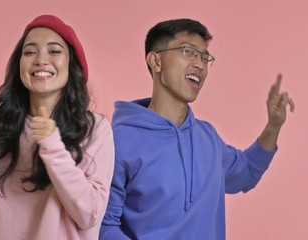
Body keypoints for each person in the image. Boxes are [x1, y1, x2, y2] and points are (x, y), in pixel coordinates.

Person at [100, 18, 295, 240]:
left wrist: (273, 125)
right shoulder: (118, 140)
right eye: (188, 51)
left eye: (205, 57)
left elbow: (246, 173)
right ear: (156, 61)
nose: (200, 64)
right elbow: (104, 227)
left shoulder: (208, 138)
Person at [0, 15, 114, 240]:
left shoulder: (95, 129)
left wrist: (54, 149)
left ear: (72, 64)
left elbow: (90, 214)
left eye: (54, 51)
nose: (41, 59)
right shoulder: (4, 121)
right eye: (30, 52)